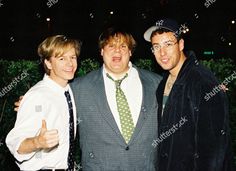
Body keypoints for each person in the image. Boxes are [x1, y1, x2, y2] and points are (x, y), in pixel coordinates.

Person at [144, 18, 235, 171]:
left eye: (168, 44)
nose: (162, 53)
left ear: (181, 45)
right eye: (156, 46)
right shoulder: (163, 82)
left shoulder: (202, 82)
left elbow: (213, 150)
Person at [70, 27, 162, 171]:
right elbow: (55, 106)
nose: (117, 50)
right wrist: (32, 103)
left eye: (123, 46)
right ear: (101, 51)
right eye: (111, 45)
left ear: (130, 52)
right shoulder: (79, 87)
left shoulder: (157, 84)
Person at [6, 35, 81, 170]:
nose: (70, 64)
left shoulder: (68, 90)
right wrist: (37, 142)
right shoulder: (37, 96)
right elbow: (15, 143)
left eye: (72, 57)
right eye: (61, 58)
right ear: (48, 63)